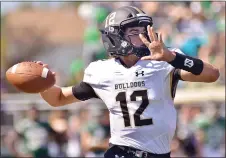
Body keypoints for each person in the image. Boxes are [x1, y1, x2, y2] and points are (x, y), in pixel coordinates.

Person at [38, 6, 219, 158]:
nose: (143, 37)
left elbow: (212, 74)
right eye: (134, 32)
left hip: (159, 153)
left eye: (144, 31)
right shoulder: (102, 71)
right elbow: (58, 98)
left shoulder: (164, 61)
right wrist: (41, 83)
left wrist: (172, 57)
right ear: (116, 36)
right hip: (121, 151)